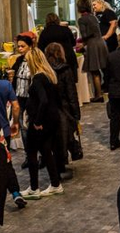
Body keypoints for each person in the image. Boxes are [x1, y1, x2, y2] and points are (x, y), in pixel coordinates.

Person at [20, 48, 64, 200]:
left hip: (41, 120)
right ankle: (55, 183)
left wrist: (37, 121)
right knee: (46, 150)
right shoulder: (50, 75)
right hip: (52, 119)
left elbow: (43, 100)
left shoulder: (38, 78)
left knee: (31, 151)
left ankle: (34, 188)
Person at [43, 43, 80, 179]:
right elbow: (71, 92)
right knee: (65, 137)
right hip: (64, 108)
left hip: (49, 109)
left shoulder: (44, 70)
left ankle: (56, 165)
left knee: (54, 139)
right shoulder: (65, 70)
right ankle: (61, 164)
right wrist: (76, 113)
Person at [76, 0, 108, 102]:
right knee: (104, 69)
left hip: (93, 45)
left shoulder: (82, 19)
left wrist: (81, 41)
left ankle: (98, 95)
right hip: (101, 43)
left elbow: (85, 35)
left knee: (94, 71)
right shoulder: (93, 17)